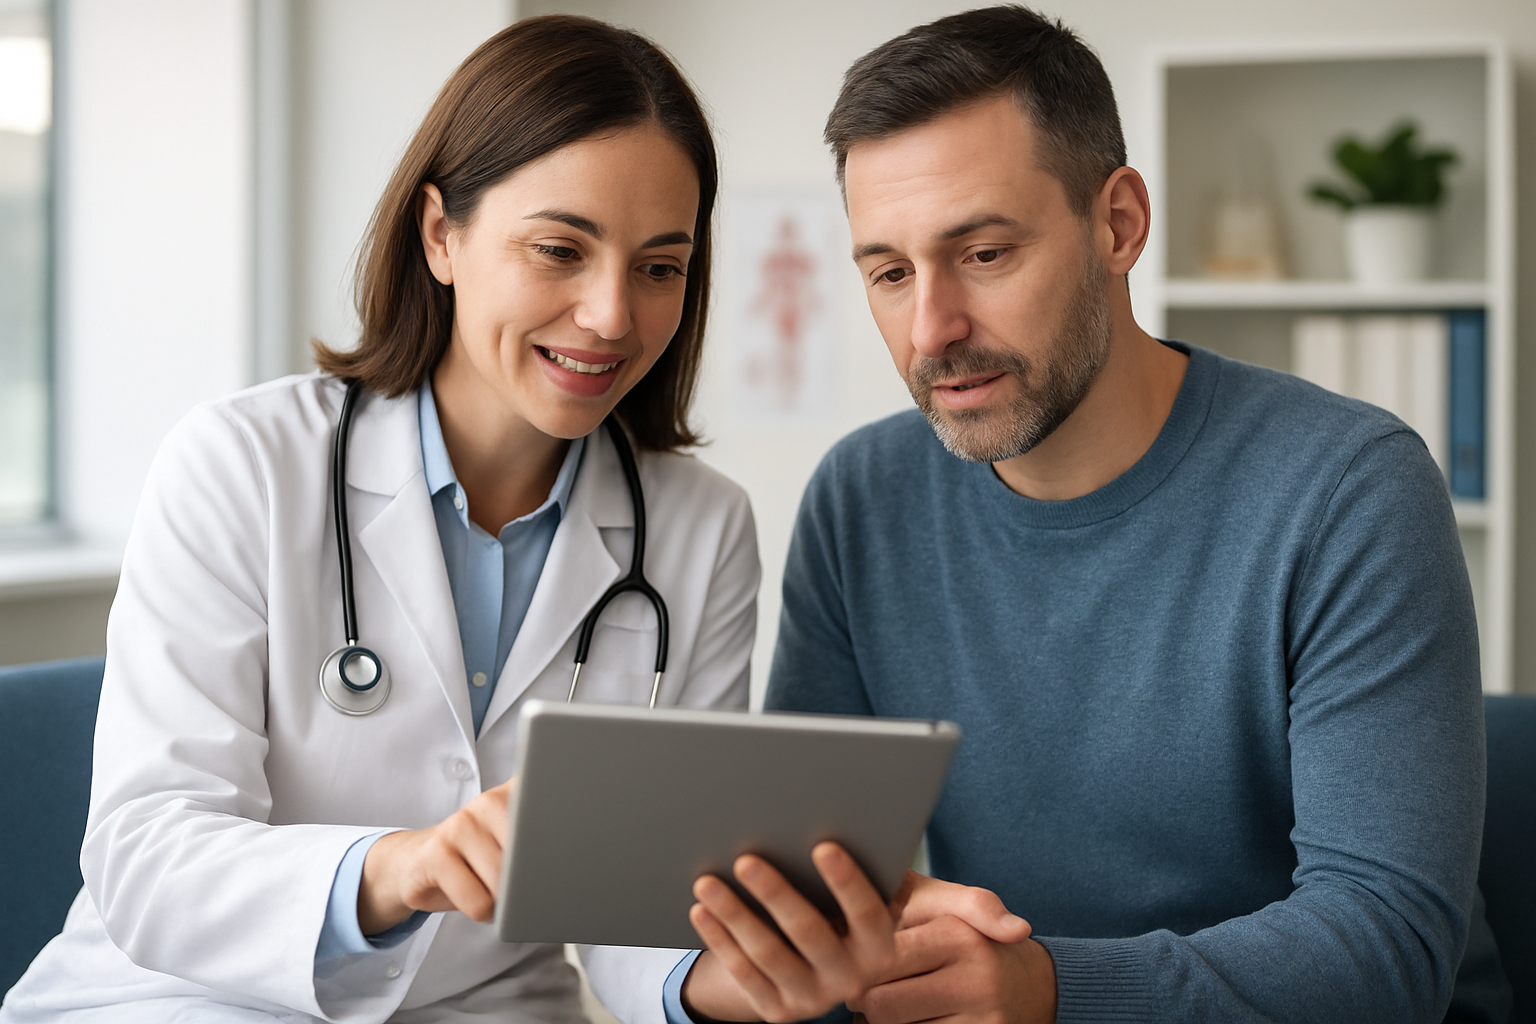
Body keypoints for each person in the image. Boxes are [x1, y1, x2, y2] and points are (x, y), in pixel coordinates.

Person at [671, 6, 1509, 1023]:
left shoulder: (1351, 490)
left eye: (983, 253)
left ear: (1117, 224)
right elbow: (815, 893)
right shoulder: (861, 500)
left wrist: (1050, 988)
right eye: (890, 272)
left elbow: (1388, 943)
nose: (931, 329)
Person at [1, 15, 758, 1024]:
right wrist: (395, 868)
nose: (613, 314)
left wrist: (718, 981)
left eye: (660, 266)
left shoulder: (702, 530)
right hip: (186, 998)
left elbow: (637, 904)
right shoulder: (243, 464)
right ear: (441, 234)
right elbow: (151, 856)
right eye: (559, 249)